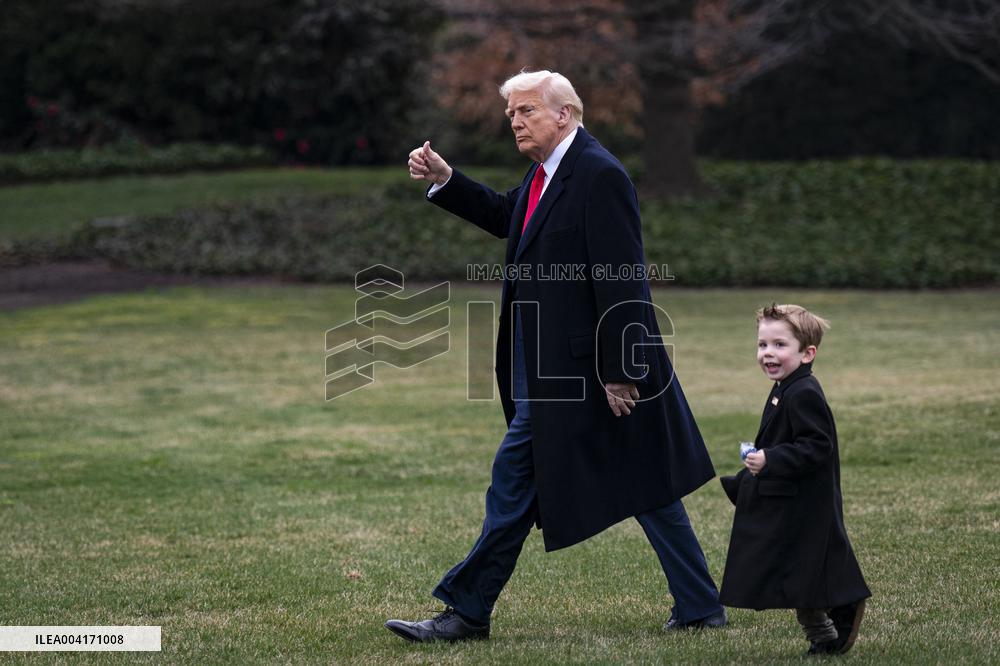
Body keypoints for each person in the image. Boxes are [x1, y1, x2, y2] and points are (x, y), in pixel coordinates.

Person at [384, 69, 725, 643]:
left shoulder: (599, 175)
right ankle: (700, 604)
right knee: (648, 483)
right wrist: (448, 180)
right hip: (549, 365)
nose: (515, 121)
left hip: (585, 372)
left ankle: (467, 612)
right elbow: (505, 216)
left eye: (527, 111)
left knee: (514, 481)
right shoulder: (548, 172)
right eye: (511, 113)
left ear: (565, 114)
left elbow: (624, 281)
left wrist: (620, 372)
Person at [718, 304, 871, 656]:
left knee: (799, 570)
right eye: (762, 345)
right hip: (787, 494)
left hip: (804, 501)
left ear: (807, 353)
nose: (768, 353)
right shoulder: (784, 387)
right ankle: (827, 628)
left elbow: (818, 445)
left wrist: (771, 458)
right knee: (796, 569)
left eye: (779, 345)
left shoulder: (803, 392)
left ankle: (833, 623)